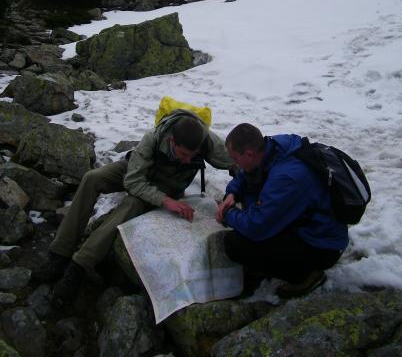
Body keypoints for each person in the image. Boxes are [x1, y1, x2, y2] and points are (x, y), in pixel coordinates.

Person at [43, 110, 234, 306]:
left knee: (132, 204)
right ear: (172, 141)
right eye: (183, 154)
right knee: (92, 178)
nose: (187, 160)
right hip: (136, 172)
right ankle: (60, 251)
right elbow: (133, 181)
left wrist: (236, 193)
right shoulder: (153, 138)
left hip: (166, 186)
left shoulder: (206, 141)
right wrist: (166, 201)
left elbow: (236, 161)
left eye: (191, 156)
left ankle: (79, 266)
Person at [216, 123, 349, 299]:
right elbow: (244, 175)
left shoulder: (288, 177)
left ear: (249, 154)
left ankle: (306, 274)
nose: (234, 164)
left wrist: (227, 214)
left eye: (235, 159)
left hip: (321, 244)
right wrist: (233, 193)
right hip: (306, 223)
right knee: (252, 221)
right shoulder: (272, 147)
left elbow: (256, 226)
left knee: (236, 245)